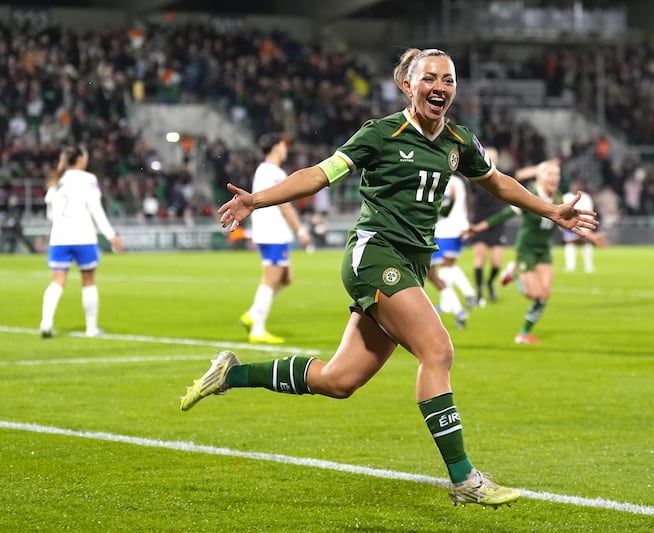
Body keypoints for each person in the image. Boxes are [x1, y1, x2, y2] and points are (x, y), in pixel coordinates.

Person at [180, 48, 597, 507]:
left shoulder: (459, 141)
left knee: (339, 381)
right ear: (408, 85)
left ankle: (232, 375)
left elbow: (498, 182)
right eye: (430, 78)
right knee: (437, 350)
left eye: (449, 80)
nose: (440, 87)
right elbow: (320, 174)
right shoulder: (380, 133)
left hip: (412, 264)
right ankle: (464, 478)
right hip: (374, 255)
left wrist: (551, 209)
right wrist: (257, 200)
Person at [468, 161, 606, 345]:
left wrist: (591, 238)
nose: (554, 177)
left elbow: (571, 226)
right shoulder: (529, 196)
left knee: (544, 295)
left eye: (557, 174)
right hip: (526, 251)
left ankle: (524, 333)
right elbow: (503, 215)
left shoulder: (558, 199)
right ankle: (515, 272)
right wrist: (479, 227)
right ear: (539, 177)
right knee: (534, 294)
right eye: (549, 173)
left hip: (544, 251)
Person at [39, 145, 123, 338]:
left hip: (59, 237)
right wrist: (111, 235)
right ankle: (91, 328)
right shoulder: (88, 179)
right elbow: (96, 210)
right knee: (88, 281)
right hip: (83, 236)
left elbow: (50, 214)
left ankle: (46, 323)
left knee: (57, 281)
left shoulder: (56, 180)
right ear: (81, 160)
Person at [239, 134, 311, 344]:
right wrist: (300, 229)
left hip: (269, 230)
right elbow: (284, 203)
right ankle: (257, 328)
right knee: (271, 279)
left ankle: (253, 314)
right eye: (283, 145)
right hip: (273, 231)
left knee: (286, 277)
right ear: (276, 148)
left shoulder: (264, 170)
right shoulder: (272, 171)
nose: (285, 149)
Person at [428, 173, 476, 329]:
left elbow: (446, 208)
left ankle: (458, 308)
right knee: (439, 271)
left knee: (438, 271)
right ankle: (458, 304)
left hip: (448, 230)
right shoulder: (455, 181)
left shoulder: (449, 181)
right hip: (449, 230)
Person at [468, 146, 508, 306]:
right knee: (479, 259)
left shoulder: (503, 177)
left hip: (497, 223)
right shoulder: (476, 178)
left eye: (493, 156)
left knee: (497, 263)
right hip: (480, 222)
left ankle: (490, 283)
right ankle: (479, 290)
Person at [561, 179, 596, 273]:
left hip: (584, 225)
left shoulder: (586, 197)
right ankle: (570, 266)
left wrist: (588, 226)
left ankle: (589, 266)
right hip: (570, 224)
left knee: (586, 243)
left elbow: (589, 212)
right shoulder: (566, 197)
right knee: (570, 243)